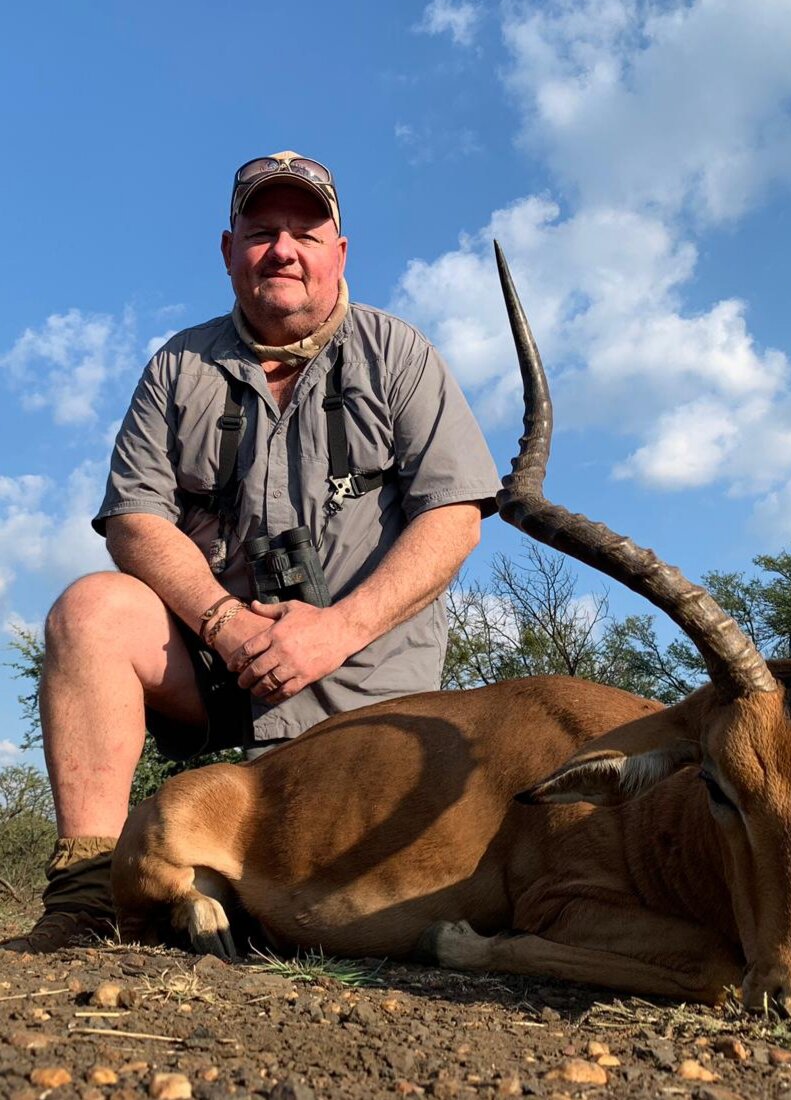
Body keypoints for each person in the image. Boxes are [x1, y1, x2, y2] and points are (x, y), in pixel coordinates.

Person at [3, 152, 500, 953]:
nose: (284, 249)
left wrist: (333, 631)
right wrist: (226, 625)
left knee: (367, 913)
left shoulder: (400, 353)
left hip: (370, 684)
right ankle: (85, 902)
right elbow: (134, 517)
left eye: (306, 231)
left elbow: (456, 515)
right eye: (262, 231)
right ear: (228, 249)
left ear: (341, 251)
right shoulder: (177, 364)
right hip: (224, 669)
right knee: (89, 610)